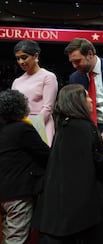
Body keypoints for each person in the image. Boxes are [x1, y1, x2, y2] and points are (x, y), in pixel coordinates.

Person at [33, 84, 103, 244]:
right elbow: (96, 161)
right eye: (87, 96)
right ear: (77, 102)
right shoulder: (84, 128)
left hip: (56, 213)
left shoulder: (62, 127)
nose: (91, 100)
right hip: (81, 216)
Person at [0, 89, 49, 244]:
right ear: (21, 107)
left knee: (9, 235)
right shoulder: (22, 129)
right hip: (18, 192)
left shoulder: (3, 131)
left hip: (4, 192)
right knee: (16, 238)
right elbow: (45, 154)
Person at [12, 40, 58, 146]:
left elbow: (48, 108)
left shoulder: (48, 77)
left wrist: (29, 126)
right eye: (18, 58)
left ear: (35, 56)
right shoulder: (17, 81)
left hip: (42, 124)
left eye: (24, 57)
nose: (20, 62)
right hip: (20, 126)